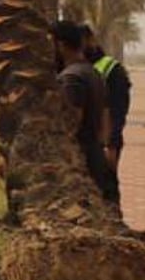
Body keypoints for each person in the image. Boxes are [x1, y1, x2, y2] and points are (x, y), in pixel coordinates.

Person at [50, 20, 119, 206]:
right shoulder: (93, 73)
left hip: (82, 159)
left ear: (61, 46)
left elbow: (72, 121)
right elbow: (106, 116)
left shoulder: (71, 78)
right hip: (95, 154)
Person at [80, 24, 132, 171]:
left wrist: (111, 146)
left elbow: (118, 111)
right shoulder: (67, 68)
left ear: (91, 40)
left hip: (101, 147)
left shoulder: (111, 69)